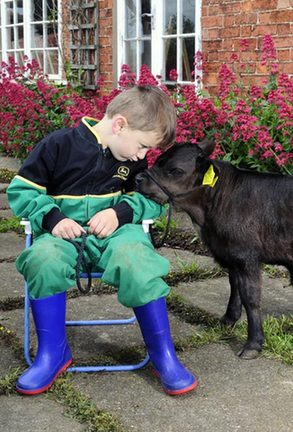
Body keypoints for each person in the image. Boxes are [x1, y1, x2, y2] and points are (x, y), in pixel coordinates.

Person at [7, 85, 197, 396]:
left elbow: (154, 198)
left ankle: (164, 356)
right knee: (42, 260)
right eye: (142, 147)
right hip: (63, 236)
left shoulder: (132, 160)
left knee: (138, 260)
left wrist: (120, 213)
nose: (142, 156)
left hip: (117, 236)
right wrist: (53, 219)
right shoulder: (58, 145)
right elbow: (21, 191)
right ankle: (52, 354)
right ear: (120, 124)